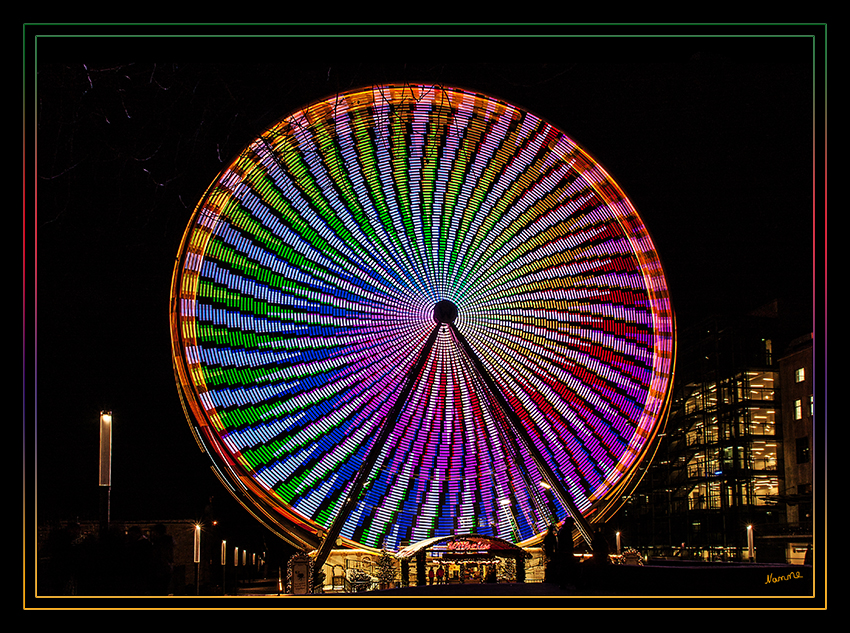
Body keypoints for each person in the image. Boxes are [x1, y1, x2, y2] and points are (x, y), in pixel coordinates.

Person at [557, 518, 577, 590]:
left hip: (563, 552)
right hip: (566, 552)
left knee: (563, 568)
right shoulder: (566, 531)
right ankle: (567, 582)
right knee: (567, 568)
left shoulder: (562, 530)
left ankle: (563, 583)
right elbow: (567, 542)